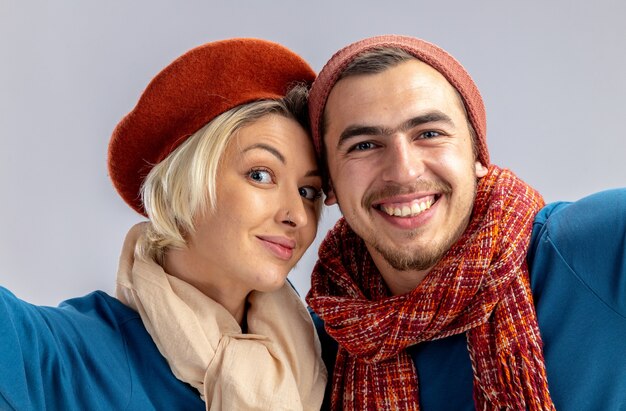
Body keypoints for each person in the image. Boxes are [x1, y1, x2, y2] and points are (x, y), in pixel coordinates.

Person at [0, 38, 327, 410]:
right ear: (183, 185)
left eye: (308, 191)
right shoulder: (57, 358)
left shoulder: (341, 356)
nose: (297, 215)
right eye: (261, 174)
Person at [306, 35, 626, 410]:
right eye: (363, 144)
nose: (404, 171)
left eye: (429, 134)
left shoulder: (591, 248)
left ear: (477, 153)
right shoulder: (312, 348)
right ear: (327, 180)